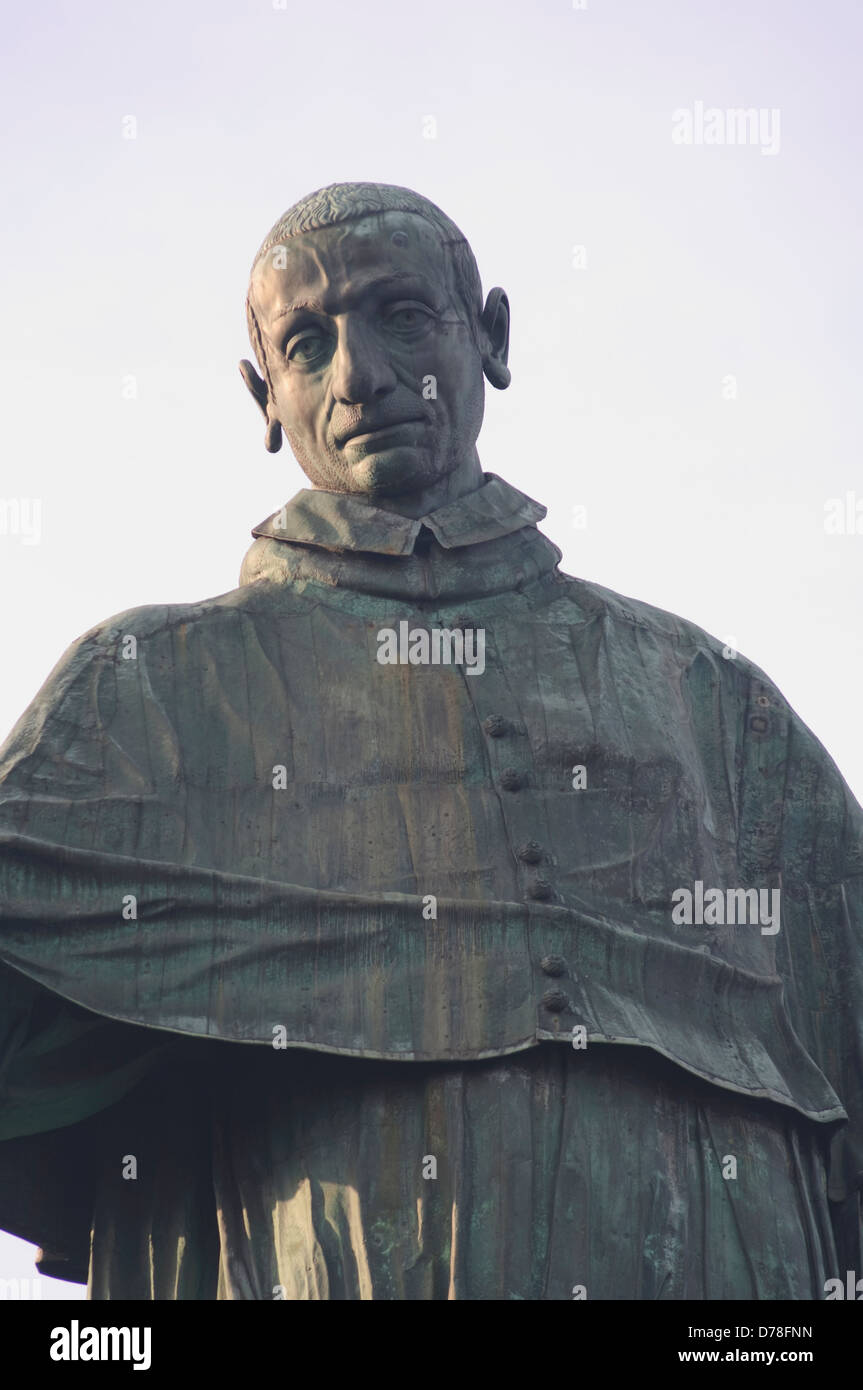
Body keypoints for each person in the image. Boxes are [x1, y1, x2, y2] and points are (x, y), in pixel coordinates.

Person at [0, 182, 860, 1299]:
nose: (355, 374)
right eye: (306, 346)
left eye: (400, 316)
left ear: (489, 336)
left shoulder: (702, 692)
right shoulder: (145, 689)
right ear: (264, 396)